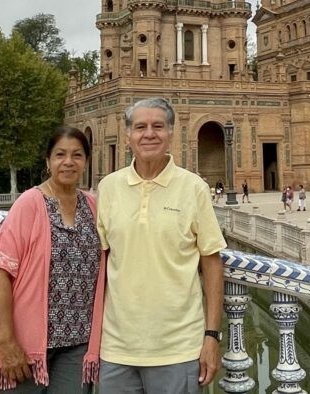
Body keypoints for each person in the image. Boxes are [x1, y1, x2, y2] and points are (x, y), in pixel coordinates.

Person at [96, 98, 225, 392]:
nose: (149, 134)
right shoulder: (109, 188)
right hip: (116, 348)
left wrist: (212, 336)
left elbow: (212, 262)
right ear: (127, 135)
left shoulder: (194, 188)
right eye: (140, 127)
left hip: (178, 349)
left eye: (158, 126)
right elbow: (101, 260)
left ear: (171, 133)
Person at [0, 126, 105, 394]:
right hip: (28, 346)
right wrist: (7, 341)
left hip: (78, 345)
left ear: (86, 161)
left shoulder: (93, 207)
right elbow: (1, 273)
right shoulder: (30, 204)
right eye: (60, 155)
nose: (69, 162)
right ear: (48, 161)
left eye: (77, 155)